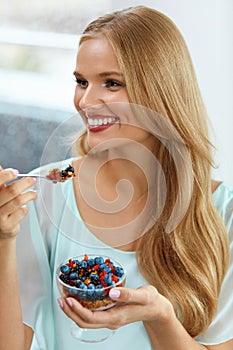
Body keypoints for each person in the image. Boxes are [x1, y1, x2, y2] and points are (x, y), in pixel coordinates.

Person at [0, 5, 232, 350]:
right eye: (81, 82)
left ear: (161, 92)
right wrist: (4, 239)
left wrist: (159, 317)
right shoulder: (45, 192)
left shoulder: (222, 212)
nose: (86, 101)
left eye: (112, 83)